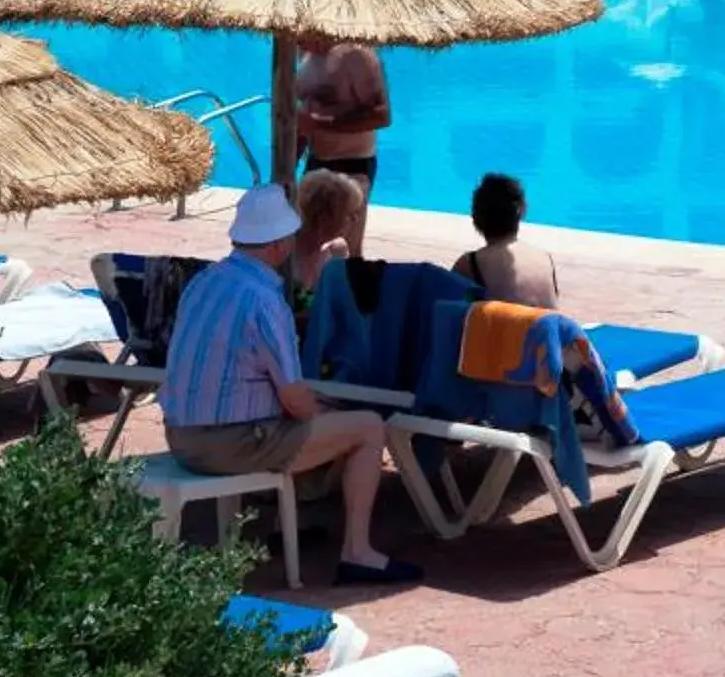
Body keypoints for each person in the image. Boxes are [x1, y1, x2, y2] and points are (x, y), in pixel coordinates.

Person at [156, 183, 418, 584]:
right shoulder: (264, 300)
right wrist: (326, 414)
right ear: (279, 244)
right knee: (366, 426)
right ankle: (357, 553)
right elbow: (295, 399)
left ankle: (277, 528)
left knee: (300, 418)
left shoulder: (204, 282)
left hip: (181, 437)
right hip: (229, 445)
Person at [295, 34, 390, 198]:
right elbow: (304, 123)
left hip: (352, 165)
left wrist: (319, 122)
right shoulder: (305, 59)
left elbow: (381, 115)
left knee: (340, 223)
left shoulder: (356, 55)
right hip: (316, 162)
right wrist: (288, 169)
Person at [450, 172, 560, 309]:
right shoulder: (545, 259)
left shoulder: (470, 264)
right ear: (520, 213)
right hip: (546, 330)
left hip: (506, 330)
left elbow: (448, 315)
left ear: (476, 217)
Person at [290, 168, 365, 303]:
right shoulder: (286, 253)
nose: (356, 220)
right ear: (326, 216)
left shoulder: (336, 253)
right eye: (349, 213)